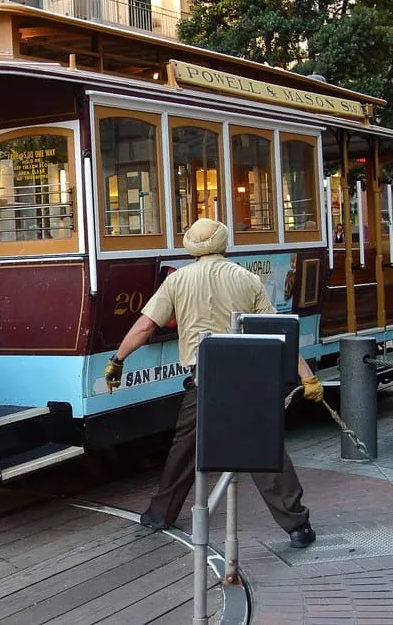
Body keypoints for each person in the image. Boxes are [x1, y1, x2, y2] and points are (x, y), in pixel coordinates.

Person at [105, 218, 323, 549]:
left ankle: (161, 513)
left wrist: (117, 360)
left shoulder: (178, 281)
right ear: (223, 243)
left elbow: (145, 326)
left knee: (184, 449)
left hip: (204, 378)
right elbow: (277, 331)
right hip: (246, 375)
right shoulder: (247, 279)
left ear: (191, 246)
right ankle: (297, 525)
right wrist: (308, 377)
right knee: (262, 447)